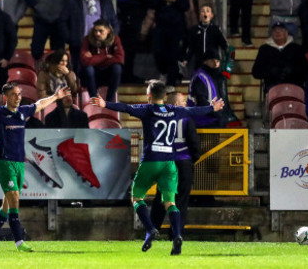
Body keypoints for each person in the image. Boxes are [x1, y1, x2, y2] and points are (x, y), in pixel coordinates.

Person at [89, 79, 225, 256]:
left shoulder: (147, 110)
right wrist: (211, 108)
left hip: (151, 160)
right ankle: (177, 235)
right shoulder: (174, 110)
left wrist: (105, 103)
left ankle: (151, 229)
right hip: (169, 164)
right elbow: (193, 110)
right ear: (165, 96)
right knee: (170, 202)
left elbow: (126, 108)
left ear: (150, 96)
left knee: (136, 197)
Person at [0, 82, 72, 253]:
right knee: (14, 197)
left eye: (19, 94)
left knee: (8, 205)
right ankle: (19, 241)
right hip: (3, 162)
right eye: (14, 94)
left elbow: (40, 105)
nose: (18, 97)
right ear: (5, 97)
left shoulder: (23, 112)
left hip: (19, 163)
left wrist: (55, 97)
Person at [150, 91, 200, 237]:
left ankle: (152, 230)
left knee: (161, 198)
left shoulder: (159, 121)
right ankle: (175, 233)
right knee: (181, 200)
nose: (186, 104)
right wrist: (191, 160)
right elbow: (194, 145)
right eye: (183, 101)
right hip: (183, 163)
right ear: (176, 104)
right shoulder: (186, 120)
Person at [61, 0, 119, 73]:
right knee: (79, 73)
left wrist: (110, 39)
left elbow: (114, 21)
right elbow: (63, 21)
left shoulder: (105, 1)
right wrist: (70, 39)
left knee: (100, 74)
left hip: (101, 44)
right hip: (79, 44)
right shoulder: (72, 1)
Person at [147, 0, 189, 86]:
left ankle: (171, 82)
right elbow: (151, 4)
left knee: (173, 56)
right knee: (158, 52)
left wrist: (176, 0)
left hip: (176, 29)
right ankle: (163, 72)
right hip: (161, 28)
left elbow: (186, 7)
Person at [188, 49, 240, 127]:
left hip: (212, 119)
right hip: (203, 121)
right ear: (205, 62)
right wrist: (218, 114)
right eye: (212, 61)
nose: (216, 64)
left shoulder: (214, 77)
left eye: (217, 61)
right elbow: (201, 101)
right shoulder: (201, 77)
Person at [252, 20, 308, 91]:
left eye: (281, 30)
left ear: (286, 33)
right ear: (271, 34)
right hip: (273, 86)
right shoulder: (264, 49)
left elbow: (306, 70)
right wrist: (270, 71)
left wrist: (293, 70)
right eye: (275, 30)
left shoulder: (296, 48)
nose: (277, 32)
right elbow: (256, 72)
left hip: (294, 85)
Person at [80, 19, 124, 102]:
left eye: (101, 31)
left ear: (108, 31)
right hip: (94, 74)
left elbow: (120, 58)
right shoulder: (87, 39)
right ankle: (94, 99)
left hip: (108, 73)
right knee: (88, 69)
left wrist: (93, 58)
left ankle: (109, 100)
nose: (97, 34)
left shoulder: (115, 39)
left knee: (117, 68)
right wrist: (106, 57)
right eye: (95, 31)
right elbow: (84, 61)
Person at [182, 4, 228, 71]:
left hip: (213, 62)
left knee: (212, 80)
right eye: (202, 11)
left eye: (207, 11)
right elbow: (191, 47)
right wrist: (186, 59)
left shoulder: (216, 29)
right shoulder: (194, 29)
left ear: (211, 15)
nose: (205, 13)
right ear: (200, 15)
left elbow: (223, 44)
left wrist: (228, 51)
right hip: (199, 62)